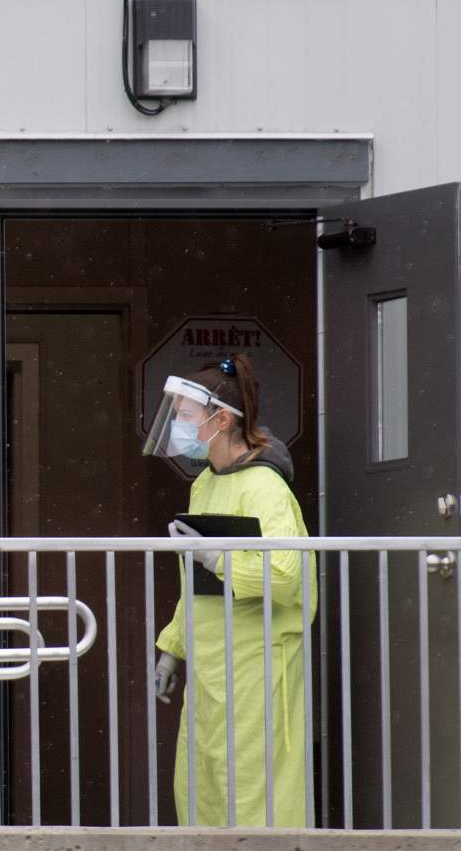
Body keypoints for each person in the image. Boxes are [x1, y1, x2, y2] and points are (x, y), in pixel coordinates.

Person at [142, 354, 317, 827]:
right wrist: (171, 650)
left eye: (184, 414)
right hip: (211, 668)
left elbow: (288, 575)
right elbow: (192, 585)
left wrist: (222, 561)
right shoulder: (205, 484)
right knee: (205, 789)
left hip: (256, 668)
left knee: (253, 793)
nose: (176, 424)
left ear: (221, 420)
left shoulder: (264, 487)